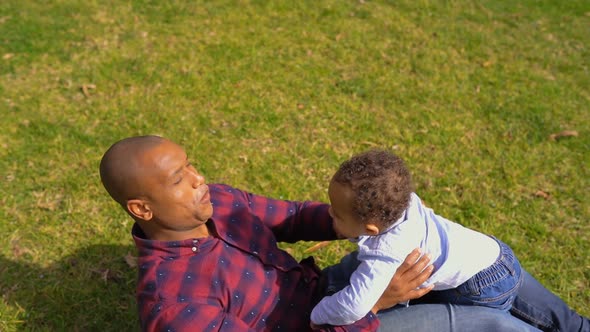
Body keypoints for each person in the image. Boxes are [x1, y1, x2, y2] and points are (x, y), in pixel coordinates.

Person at [99, 135, 588, 332]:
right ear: (141, 206)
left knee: (464, 260)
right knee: (487, 325)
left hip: (325, 293)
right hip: (338, 326)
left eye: (192, 166)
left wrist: (362, 215)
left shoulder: (218, 202)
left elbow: (291, 217)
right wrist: (377, 303)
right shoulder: (172, 303)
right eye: (180, 179)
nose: (199, 179)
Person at [310, 149, 522, 327]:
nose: (329, 213)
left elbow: (354, 305)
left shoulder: (384, 253)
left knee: (488, 324)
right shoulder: (401, 202)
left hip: (480, 286)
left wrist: (318, 315)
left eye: (337, 214)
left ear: (372, 230)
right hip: (493, 253)